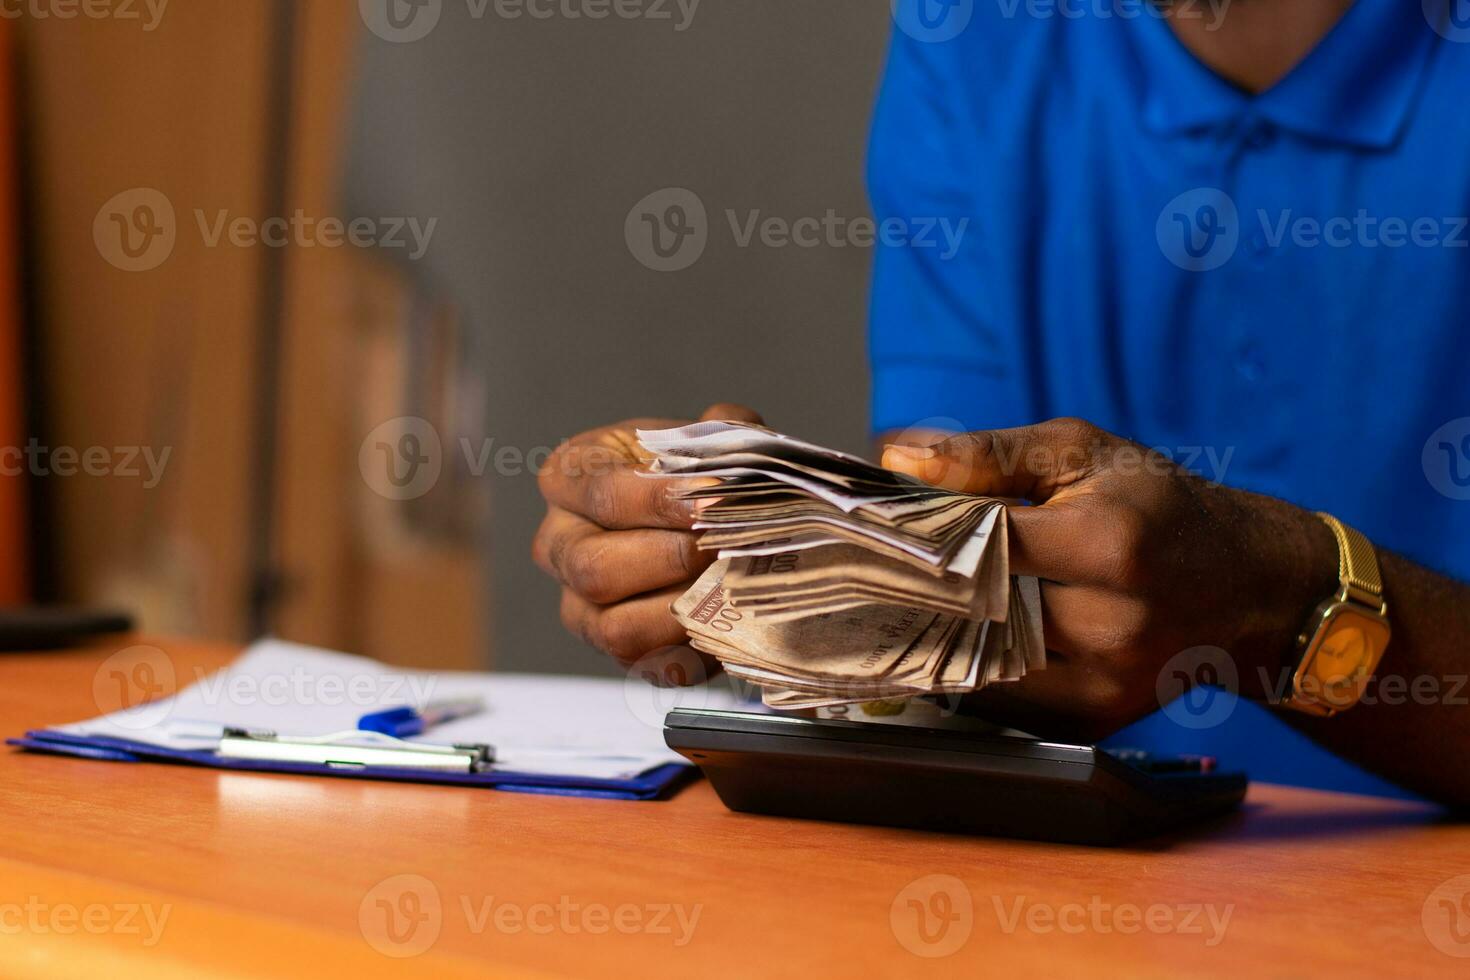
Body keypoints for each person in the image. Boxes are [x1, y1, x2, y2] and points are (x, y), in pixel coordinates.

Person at [532, 0, 1470, 807]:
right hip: (1075, 896)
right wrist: (748, 542)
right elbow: (972, 565)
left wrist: (1281, 601)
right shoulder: (977, 30)